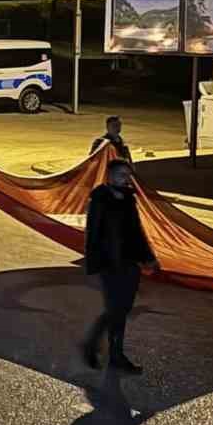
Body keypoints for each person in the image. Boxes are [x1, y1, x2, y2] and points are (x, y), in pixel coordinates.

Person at [82, 158, 158, 373]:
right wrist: (94, 264)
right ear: (110, 176)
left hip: (129, 263)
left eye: (128, 175)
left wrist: (148, 257)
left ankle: (115, 354)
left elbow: (136, 232)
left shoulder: (128, 199)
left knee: (122, 310)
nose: (126, 179)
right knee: (116, 310)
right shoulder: (99, 199)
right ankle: (95, 346)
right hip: (109, 264)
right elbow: (93, 234)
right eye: (121, 175)